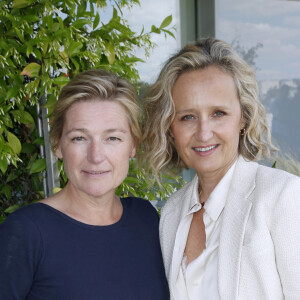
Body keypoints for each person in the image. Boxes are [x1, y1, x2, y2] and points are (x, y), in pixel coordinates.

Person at [142, 37, 300, 300]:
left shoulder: (282, 195)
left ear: (243, 118)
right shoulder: (171, 213)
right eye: (188, 117)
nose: (203, 133)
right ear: (171, 128)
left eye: (218, 113)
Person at [0, 69, 169, 300]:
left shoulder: (146, 218)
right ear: (58, 145)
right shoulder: (26, 232)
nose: (96, 156)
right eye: (79, 137)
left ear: (133, 146)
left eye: (112, 138)